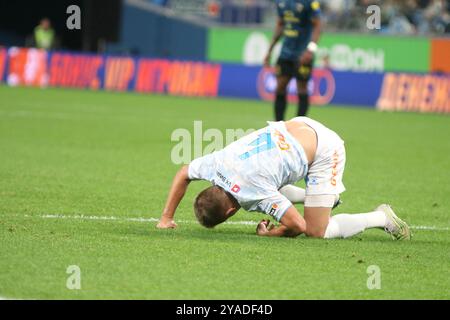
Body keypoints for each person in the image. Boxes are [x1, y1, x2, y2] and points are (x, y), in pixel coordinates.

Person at [157, 117, 411, 240]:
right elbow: (183, 173)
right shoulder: (215, 165)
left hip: (325, 149)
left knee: (316, 231)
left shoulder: (254, 194)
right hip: (295, 125)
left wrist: (271, 235)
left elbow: (298, 226)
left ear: (230, 212)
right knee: (269, 178)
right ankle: (319, 199)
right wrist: (165, 217)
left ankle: (381, 217)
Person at [264, 0, 322, 121]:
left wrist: (310, 50)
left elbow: (318, 25)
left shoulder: (309, 3)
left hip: (303, 54)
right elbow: (280, 24)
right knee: (280, 86)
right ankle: (278, 126)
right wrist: (270, 50)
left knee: (302, 87)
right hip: (286, 53)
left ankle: (299, 125)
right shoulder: (281, 3)